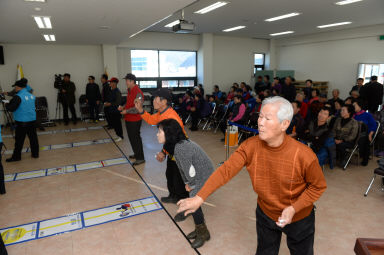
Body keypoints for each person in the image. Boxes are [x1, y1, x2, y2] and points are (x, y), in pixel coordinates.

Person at [177, 96, 327, 255]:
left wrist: (294, 208)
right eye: (260, 116)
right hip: (265, 212)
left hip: (299, 217)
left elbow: (318, 187)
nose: (260, 122)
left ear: (285, 124)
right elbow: (226, 170)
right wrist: (199, 197)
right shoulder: (250, 146)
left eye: (268, 118)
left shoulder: (304, 155)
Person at [157, 119, 214, 248]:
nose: (157, 134)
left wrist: (191, 184)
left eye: (160, 131)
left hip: (204, 175)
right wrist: (187, 183)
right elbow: (182, 168)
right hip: (197, 173)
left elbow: (190, 171)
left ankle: (203, 233)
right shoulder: (175, 146)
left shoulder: (181, 148)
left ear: (169, 133)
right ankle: (202, 230)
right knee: (191, 197)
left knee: (194, 201)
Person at [134, 88, 189, 203]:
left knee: (178, 177)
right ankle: (173, 195)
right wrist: (140, 110)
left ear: (164, 102)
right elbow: (151, 120)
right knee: (170, 173)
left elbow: (173, 140)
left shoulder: (171, 117)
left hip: (180, 149)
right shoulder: (161, 113)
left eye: (156, 98)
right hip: (172, 148)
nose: (153, 101)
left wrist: (163, 152)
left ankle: (184, 201)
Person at [5, 79, 39, 162]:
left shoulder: (17, 97)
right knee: (33, 138)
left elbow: (11, 108)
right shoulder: (31, 96)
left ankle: (16, 157)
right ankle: (35, 154)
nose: (15, 89)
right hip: (32, 121)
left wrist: (6, 104)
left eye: (15, 87)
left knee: (19, 140)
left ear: (18, 87)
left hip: (22, 122)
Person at [119, 73, 145, 166]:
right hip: (129, 118)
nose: (125, 82)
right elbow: (129, 102)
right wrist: (123, 107)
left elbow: (138, 108)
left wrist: (126, 111)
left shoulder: (138, 92)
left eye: (127, 80)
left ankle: (140, 158)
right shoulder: (130, 90)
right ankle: (136, 153)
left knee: (135, 138)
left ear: (132, 81)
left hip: (135, 119)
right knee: (132, 138)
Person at [353, 100, 378, 166]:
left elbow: (374, 125)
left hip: (367, 133)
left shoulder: (367, 115)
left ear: (360, 106)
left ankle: (365, 158)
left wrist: (370, 134)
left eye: (355, 105)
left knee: (365, 139)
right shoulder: (354, 115)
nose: (353, 107)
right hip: (355, 133)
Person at [104, 77, 123, 141]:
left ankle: (120, 136)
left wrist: (110, 104)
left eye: (111, 82)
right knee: (114, 124)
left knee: (118, 124)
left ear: (114, 83)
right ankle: (117, 135)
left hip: (116, 111)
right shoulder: (112, 90)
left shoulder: (117, 91)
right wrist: (107, 103)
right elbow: (110, 99)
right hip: (111, 110)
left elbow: (118, 102)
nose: (110, 83)